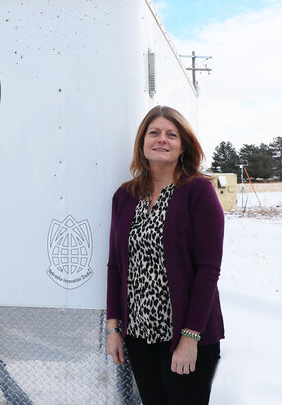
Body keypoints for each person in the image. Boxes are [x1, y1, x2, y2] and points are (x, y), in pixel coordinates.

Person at [105, 105, 225, 404]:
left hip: (186, 334)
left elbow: (208, 270)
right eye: (154, 133)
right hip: (139, 335)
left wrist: (190, 337)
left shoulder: (198, 192)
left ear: (183, 145)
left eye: (172, 135)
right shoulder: (125, 196)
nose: (162, 140)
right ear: (142, 142)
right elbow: (115, 267)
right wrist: (113, 328)